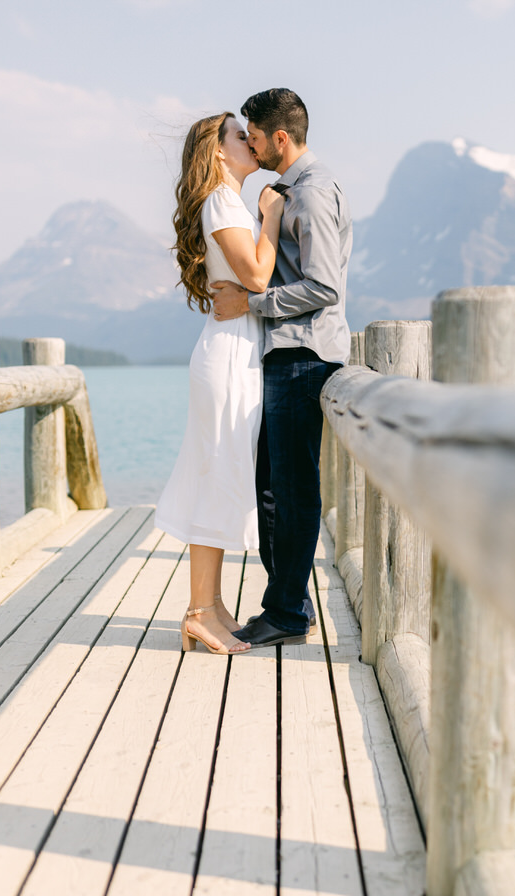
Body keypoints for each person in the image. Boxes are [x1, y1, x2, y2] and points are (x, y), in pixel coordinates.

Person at [210, 88, 353, 648]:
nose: (250, 143)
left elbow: (323, 287)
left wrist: (252, 304)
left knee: (288, 490)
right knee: (275, 487)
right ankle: (289, 603)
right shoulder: (288, 192)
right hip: (289, 355)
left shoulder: (311, 195)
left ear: (281, 138)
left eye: (254, 134)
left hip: (303, 355)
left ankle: (288, 612)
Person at [157, 112, 284, 655]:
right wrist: (272, 215)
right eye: (240, 135)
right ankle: (197, 612)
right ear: (217, 153)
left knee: (222, 471)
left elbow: (246, 286)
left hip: (235, 349)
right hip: (228, 355)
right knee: (219, 474)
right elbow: (256, 277)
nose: (251, 140)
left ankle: (212, 605)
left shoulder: (225, 201)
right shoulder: (224, 202)